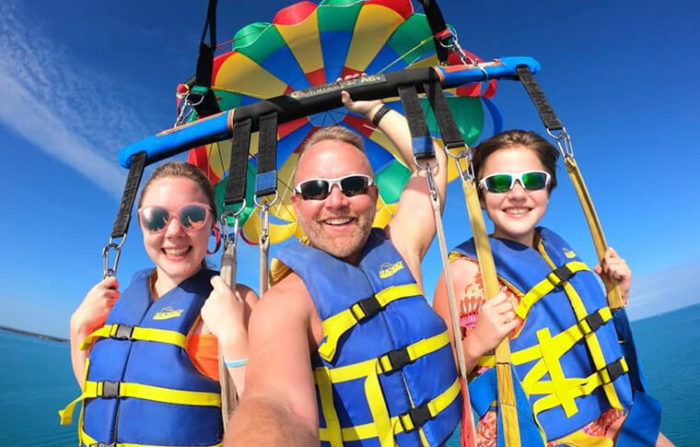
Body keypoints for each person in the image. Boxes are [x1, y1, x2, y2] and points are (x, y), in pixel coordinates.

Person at [226, 92, 462, 446]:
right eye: (316, 190)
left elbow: (432, 164)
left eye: (352, 186)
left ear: (375, 194)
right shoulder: (285, 303)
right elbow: (276, 404)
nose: (336, 202)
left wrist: (375, 110)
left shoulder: (401, 248)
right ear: (296, 203)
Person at [433, 130, 671, 446]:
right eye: (500, 183)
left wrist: (617, 295)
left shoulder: (556, 254)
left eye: (532, 180)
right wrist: (476, 343)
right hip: (524, 434)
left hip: (606, 413)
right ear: (479, 195)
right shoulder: (462, 272)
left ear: (548, 188)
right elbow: (436, 376)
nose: (517, 194)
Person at [61, 161, 258, 447]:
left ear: (213, 227)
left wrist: (235, 338)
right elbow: (104, 399)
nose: (174, 231)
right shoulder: (116, 303)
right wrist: (78, 328)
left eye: (192, 216)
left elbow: (269, 415)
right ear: (141, 225)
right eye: (157, 218)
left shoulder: (239, 302)